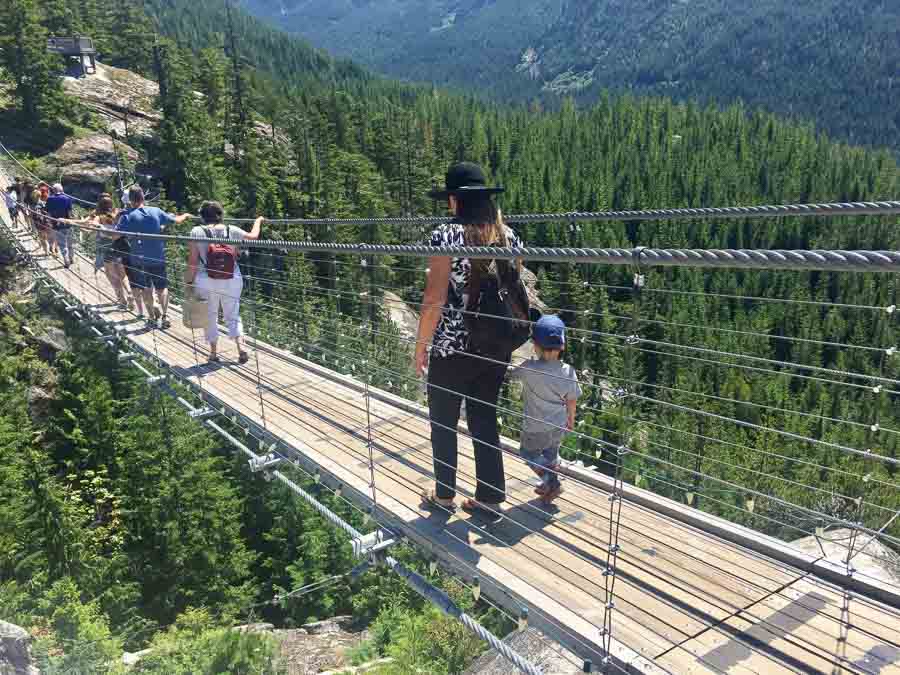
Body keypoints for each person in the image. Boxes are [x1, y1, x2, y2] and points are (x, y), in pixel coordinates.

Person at [414, 162, 523, 515]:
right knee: (483, 418)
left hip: (452, 347)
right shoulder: (508, 235)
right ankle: (489, 497)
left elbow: (434, 300)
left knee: (443, 420)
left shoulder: (445, 236)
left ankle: (444, 495)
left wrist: (421, 346)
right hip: (494, 344)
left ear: (454, 201)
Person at [508, 315, 581, 505]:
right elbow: (571, 400)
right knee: (550, 455)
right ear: (562, 346)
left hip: (535, 427)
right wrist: (570, 420)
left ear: (535, 345)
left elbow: (509, 374)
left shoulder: (529, 368)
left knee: (527, 453)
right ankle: (548, 485)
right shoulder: (568, 371)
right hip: (558, 424)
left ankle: (552, 482)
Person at [184, 201, 262, 364]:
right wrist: (258, 221)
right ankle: (241, 348)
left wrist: (189, 282)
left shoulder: (196, 231)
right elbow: (253, 236)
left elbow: (192, 261)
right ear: (221, 215)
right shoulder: (232, 229)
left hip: (206, 280)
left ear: (202, 216)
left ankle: (213, 353)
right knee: (232, 313)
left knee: (210, 315)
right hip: (232, 277)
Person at [115, 186, 191, 328]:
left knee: (146, 289)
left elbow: (115, 235)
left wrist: (100, 229)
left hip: (138, 259)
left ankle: (151, 318)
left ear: (130, 200)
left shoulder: (126, 216)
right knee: (162, 288)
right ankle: (165, 315)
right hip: (158, 257)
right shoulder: (156, 211)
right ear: (143, 197)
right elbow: (176, 220)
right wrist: (185, 215)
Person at [64, 193, 134, 309]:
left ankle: (122, 300)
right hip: (119, 246)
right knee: (122, 274)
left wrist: (70, 222)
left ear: (99, 205)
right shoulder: (118, 212)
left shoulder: (98, 216)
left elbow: (89, 226)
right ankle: (130, 293)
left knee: (110, 275)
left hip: (105, 248)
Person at [46, 183, 75, 267]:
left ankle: (66, 260)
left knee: (62, 244)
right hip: (68, 224)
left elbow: (48, 213)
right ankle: (71, 258)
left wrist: (50, 222)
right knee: (70, 243)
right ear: (61, 190)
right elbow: (70, 212)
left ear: (53, 190)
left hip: (56, 225)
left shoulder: (49, 199)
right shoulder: (67, 198)